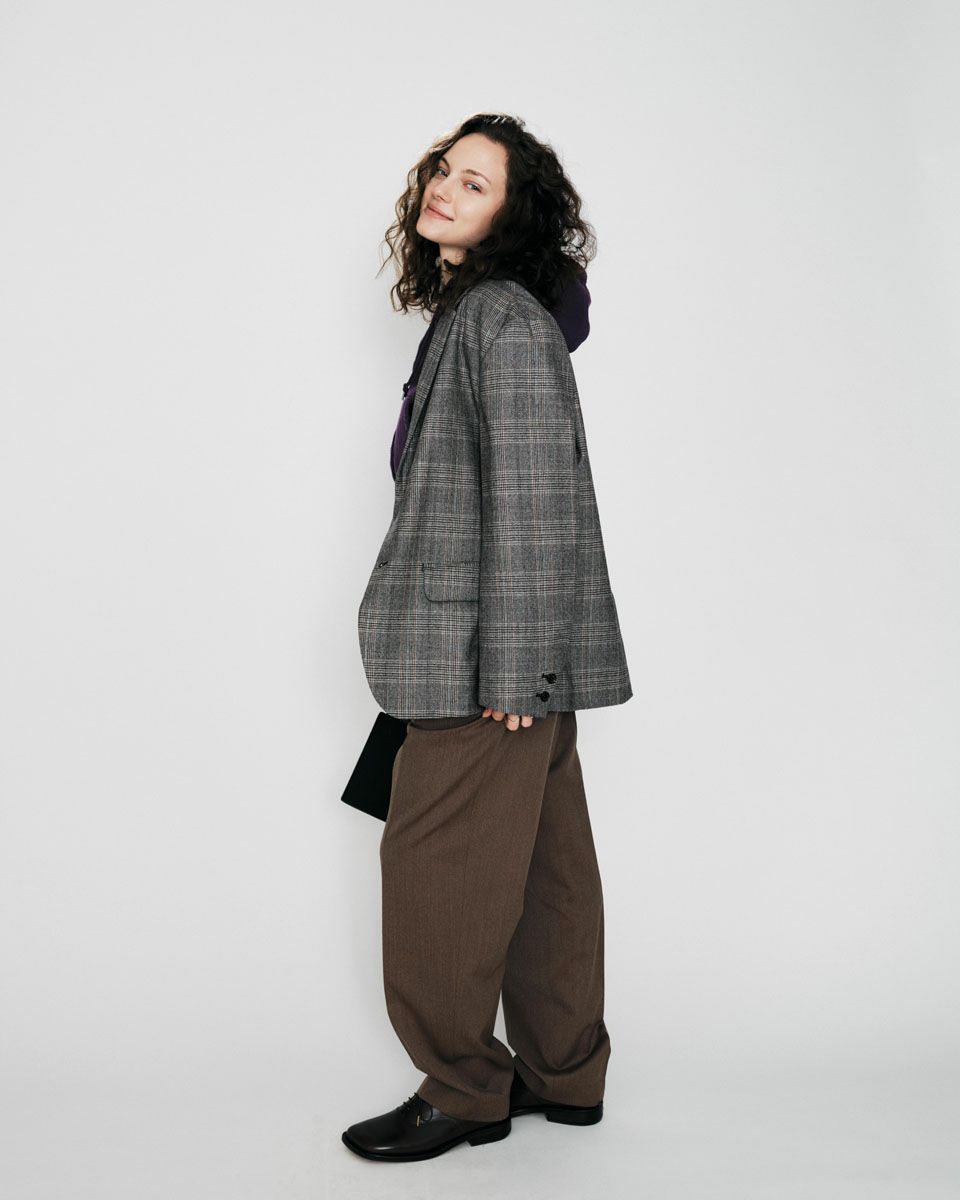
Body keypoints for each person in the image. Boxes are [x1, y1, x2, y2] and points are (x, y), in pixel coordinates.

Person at [343, 112, 633, 1162]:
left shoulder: (500, 321)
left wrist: (516, 670)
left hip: (480, 662)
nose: (446, 189)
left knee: (439, 873)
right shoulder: (491, 314)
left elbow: (534, 500)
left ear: (516, 214)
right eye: (444, 170)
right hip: (506, 653)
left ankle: (465, 1089)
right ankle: (564, 1073)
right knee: (549, 872)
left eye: (477, 182)